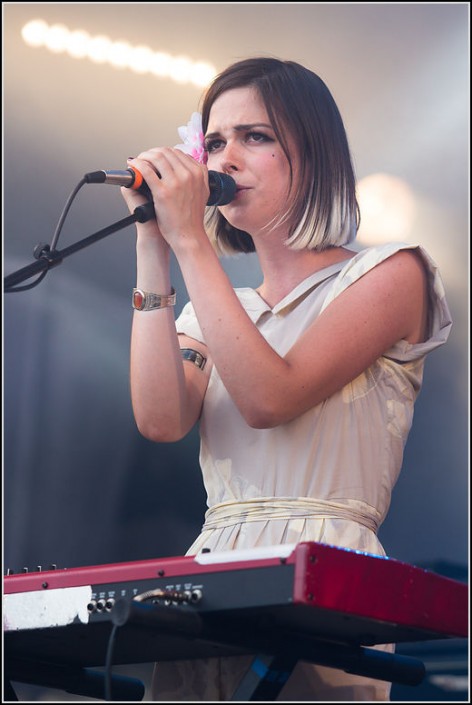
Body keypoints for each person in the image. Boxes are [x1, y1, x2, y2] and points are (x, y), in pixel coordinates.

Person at [121, 57, 452, 701]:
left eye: (257, 136)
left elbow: (269, 397)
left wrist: (191, 241)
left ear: (315, 153)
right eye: (214, 142)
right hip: (209, 576)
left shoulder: (391, 274)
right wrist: (152, 243)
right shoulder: (219, 310)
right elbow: (160, 421)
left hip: (328, 575)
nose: (226, 158)